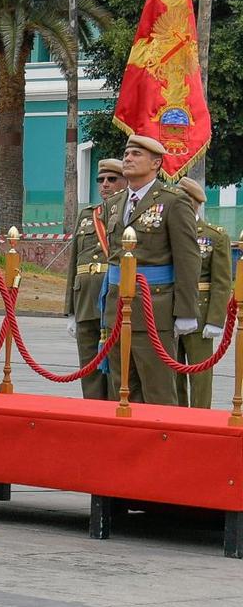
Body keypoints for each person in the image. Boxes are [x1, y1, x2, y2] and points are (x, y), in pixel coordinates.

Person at [101, 134, 201, 407]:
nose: (128, 158)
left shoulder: (173, 201)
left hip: (153, 308)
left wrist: (186, 311)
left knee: (157, 390)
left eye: (136, 154)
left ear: (156, 163)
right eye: (127, 153)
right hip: (117, 307)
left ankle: (164, 447)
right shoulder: (114, 203)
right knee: (122, 388)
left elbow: (188, 259)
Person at [65, 158, 124, 401]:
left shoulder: (128, 213)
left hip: (113, 296)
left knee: (114, 365)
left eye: (112, 179)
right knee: (88, 365)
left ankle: (111, 412)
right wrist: (69, 310)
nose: (105, 185)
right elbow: (74, 262)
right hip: (85, 298)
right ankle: (91, 409)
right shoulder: (88, 215)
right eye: (101, 180)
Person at [176, 177, 232, 409]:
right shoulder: (170, 233)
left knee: (200, 375)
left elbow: (222, 282)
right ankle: (175, 419)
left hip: (200, 312)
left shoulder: (214, 236)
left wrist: (216, 320)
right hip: (170, 308)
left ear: (195, 203)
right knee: (172, 373)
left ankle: (200, 418)